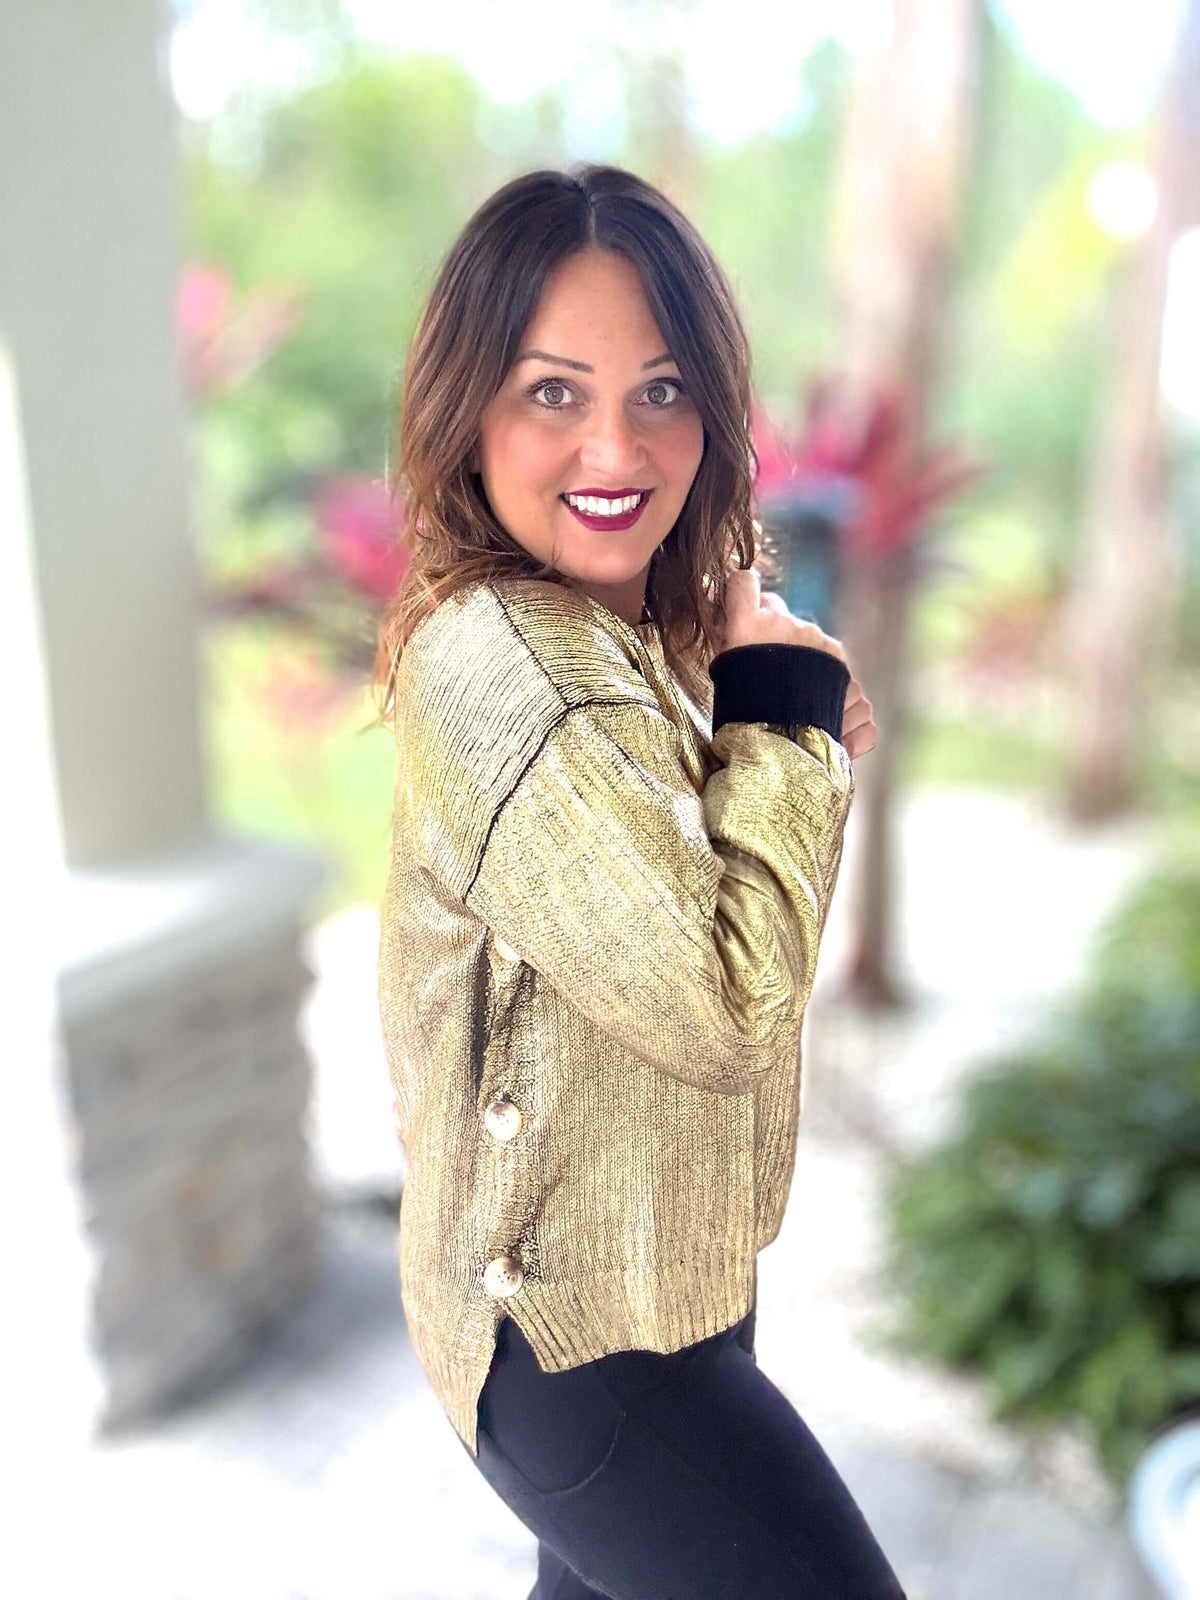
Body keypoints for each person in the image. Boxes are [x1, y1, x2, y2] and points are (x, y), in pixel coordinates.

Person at [374, 162, 901, 1600]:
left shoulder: (626, 642)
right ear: (466, 408)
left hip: (669, 1297)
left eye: (662, 391)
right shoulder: (514, 666)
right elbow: (731, 1004)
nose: (616, 441)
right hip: (580, 1346)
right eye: (553, 391)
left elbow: (723, 933)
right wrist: (785, 725)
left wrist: (770, 722)